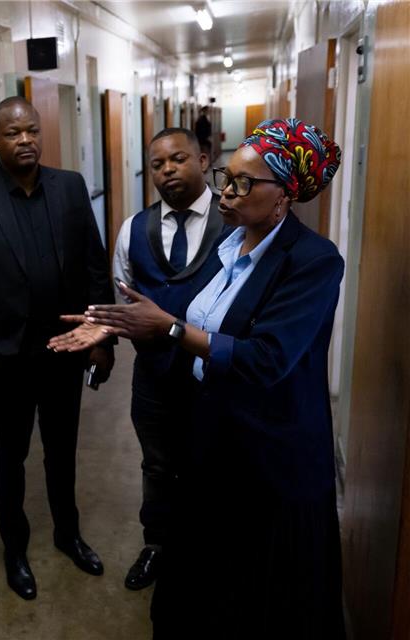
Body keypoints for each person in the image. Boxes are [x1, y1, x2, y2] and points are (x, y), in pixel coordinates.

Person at [50, 118, 345, 638]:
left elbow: (266, 358)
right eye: (227, 179)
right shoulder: (231, 248)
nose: (226, 193)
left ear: (284, 196)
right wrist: (114, 324)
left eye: (242, 184)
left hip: (271, 454)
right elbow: (190, 313)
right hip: (215, 440)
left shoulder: (313, 261)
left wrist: (166, 327)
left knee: (260, 594)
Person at [0, 97, 114, 601]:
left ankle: (68, 534)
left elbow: (93, 266)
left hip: (67, 349)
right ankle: (14, 549)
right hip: (10, 356)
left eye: (32, 131)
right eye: (13, 133)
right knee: (11, 457)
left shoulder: (70, 187)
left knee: (62, 450)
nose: (26, 140)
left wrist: (101, 335)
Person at [111, 127, 230, 591]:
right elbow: (123, 292)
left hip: (216, 374)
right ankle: (157, 545)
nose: (167, 170)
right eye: (158, 164)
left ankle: (208, 552)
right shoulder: (133, 228)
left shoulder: (234, 219)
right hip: (154, 377)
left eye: (178, 159)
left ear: (203, 160)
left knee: (214, 461)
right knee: (158, 465)